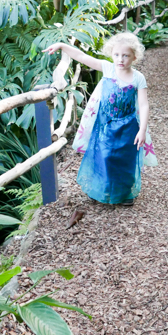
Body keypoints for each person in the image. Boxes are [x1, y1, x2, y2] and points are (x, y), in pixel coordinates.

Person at [43, 33, 158, 206]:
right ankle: (100, 189)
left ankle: (125, 193)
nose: (120, 59)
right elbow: (82, 56)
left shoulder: (138, 78)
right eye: (117, 55)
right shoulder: (108, 68)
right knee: (103, 156)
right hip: (105, 124)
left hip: (128, 126)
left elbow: (143, 105)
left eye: (126, 55)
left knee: (125, 159)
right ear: (111, 54)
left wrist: (142, 130)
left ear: (134, 57)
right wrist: (62, 45)